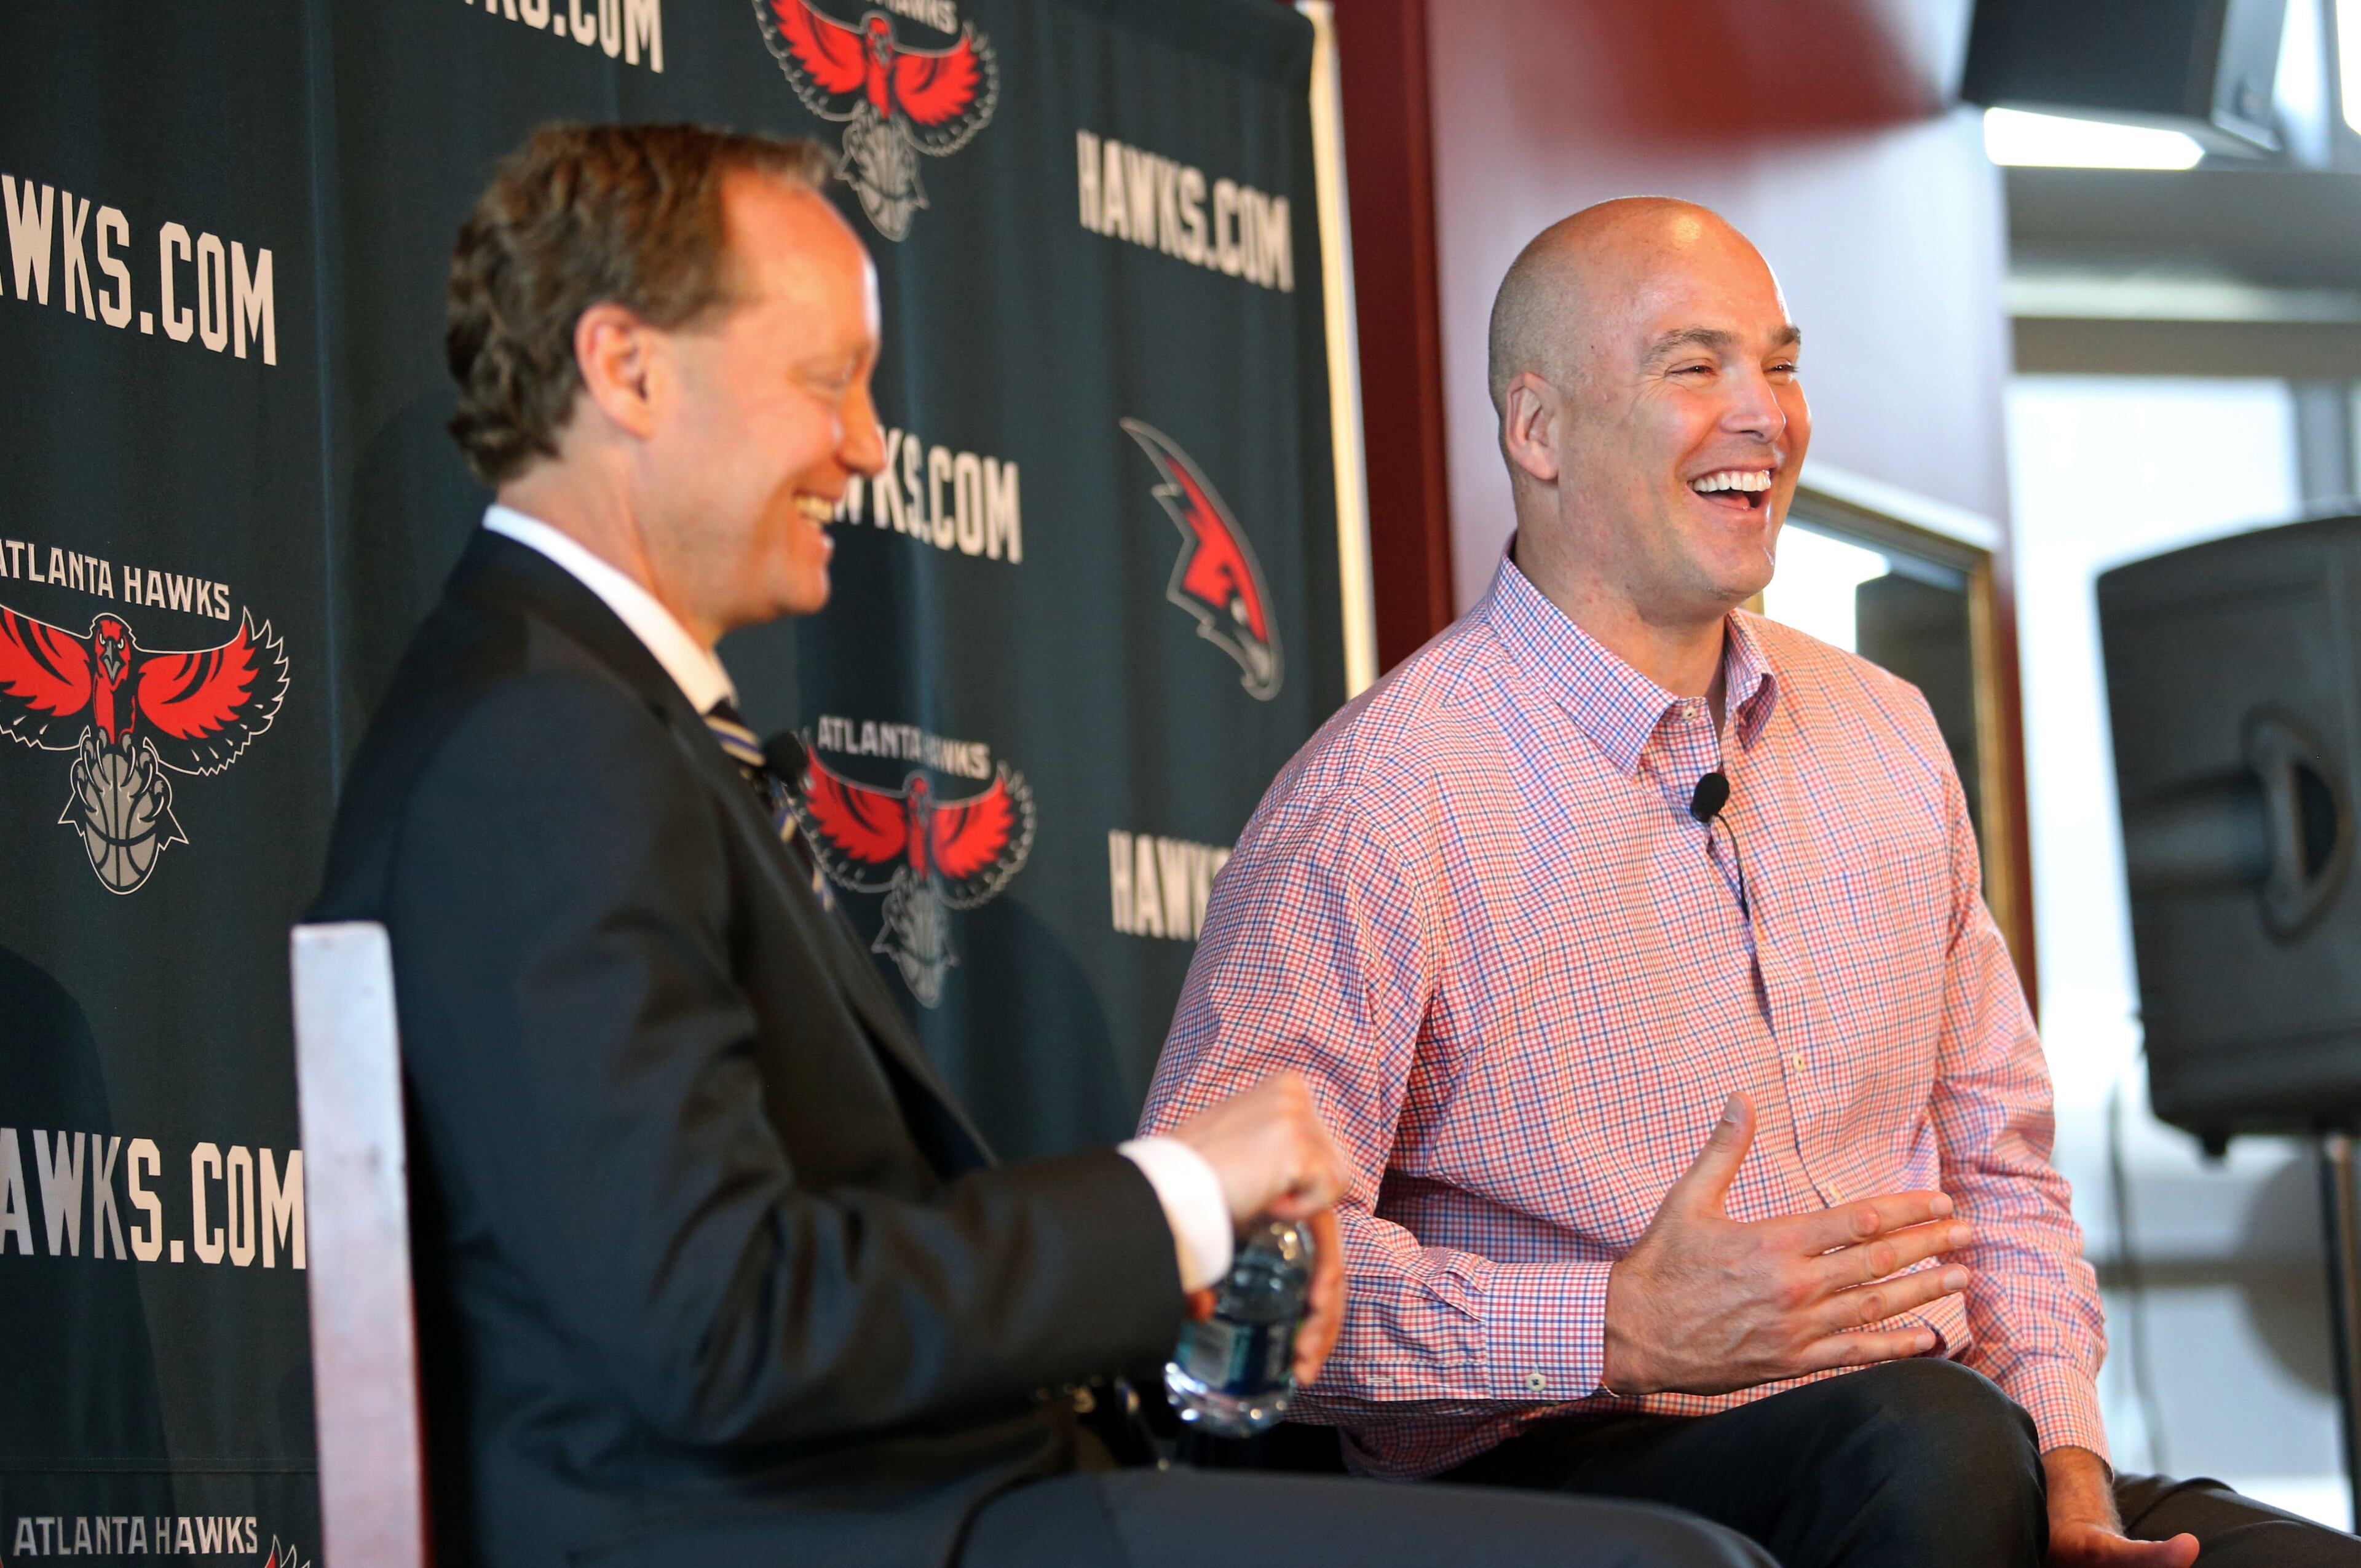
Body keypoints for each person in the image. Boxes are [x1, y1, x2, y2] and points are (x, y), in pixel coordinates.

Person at [308, 126, 1774, 1568]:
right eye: (827, 382)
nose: (867, 446)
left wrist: (1184, 1269)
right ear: (627, 370)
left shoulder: (587, 720)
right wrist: (1180, 1197)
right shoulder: (540, 747)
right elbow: (719, 1323)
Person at [1139, 197, 2361, 1568]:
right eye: (1693, 367)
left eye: (1779, 365)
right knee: (1925, 1443)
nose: (1763, 414)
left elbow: (2003, 1178)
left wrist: (2071, 1475)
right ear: (1537, 430)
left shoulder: (1887, 732)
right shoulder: (1378, 804)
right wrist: (1615, 1321)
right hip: (1578, 1473)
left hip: (1954, 1453)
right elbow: (1227, 1281)